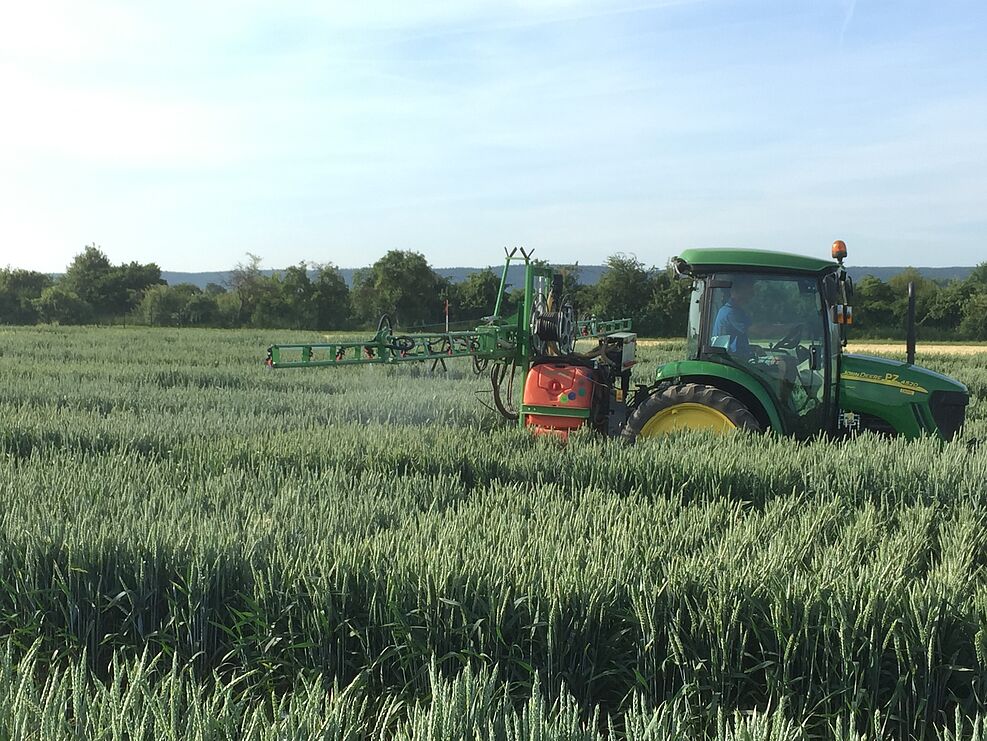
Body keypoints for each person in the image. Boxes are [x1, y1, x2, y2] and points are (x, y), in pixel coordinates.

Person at [712, 276, 755, 359]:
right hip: (729, 359)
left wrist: (754, 348)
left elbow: (737, 342)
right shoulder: (730, 312)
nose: (753, 294)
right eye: (749, 290)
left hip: (734, 357)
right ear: (737, 291)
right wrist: (782, 329)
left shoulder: (735, 311)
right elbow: (755, 332)